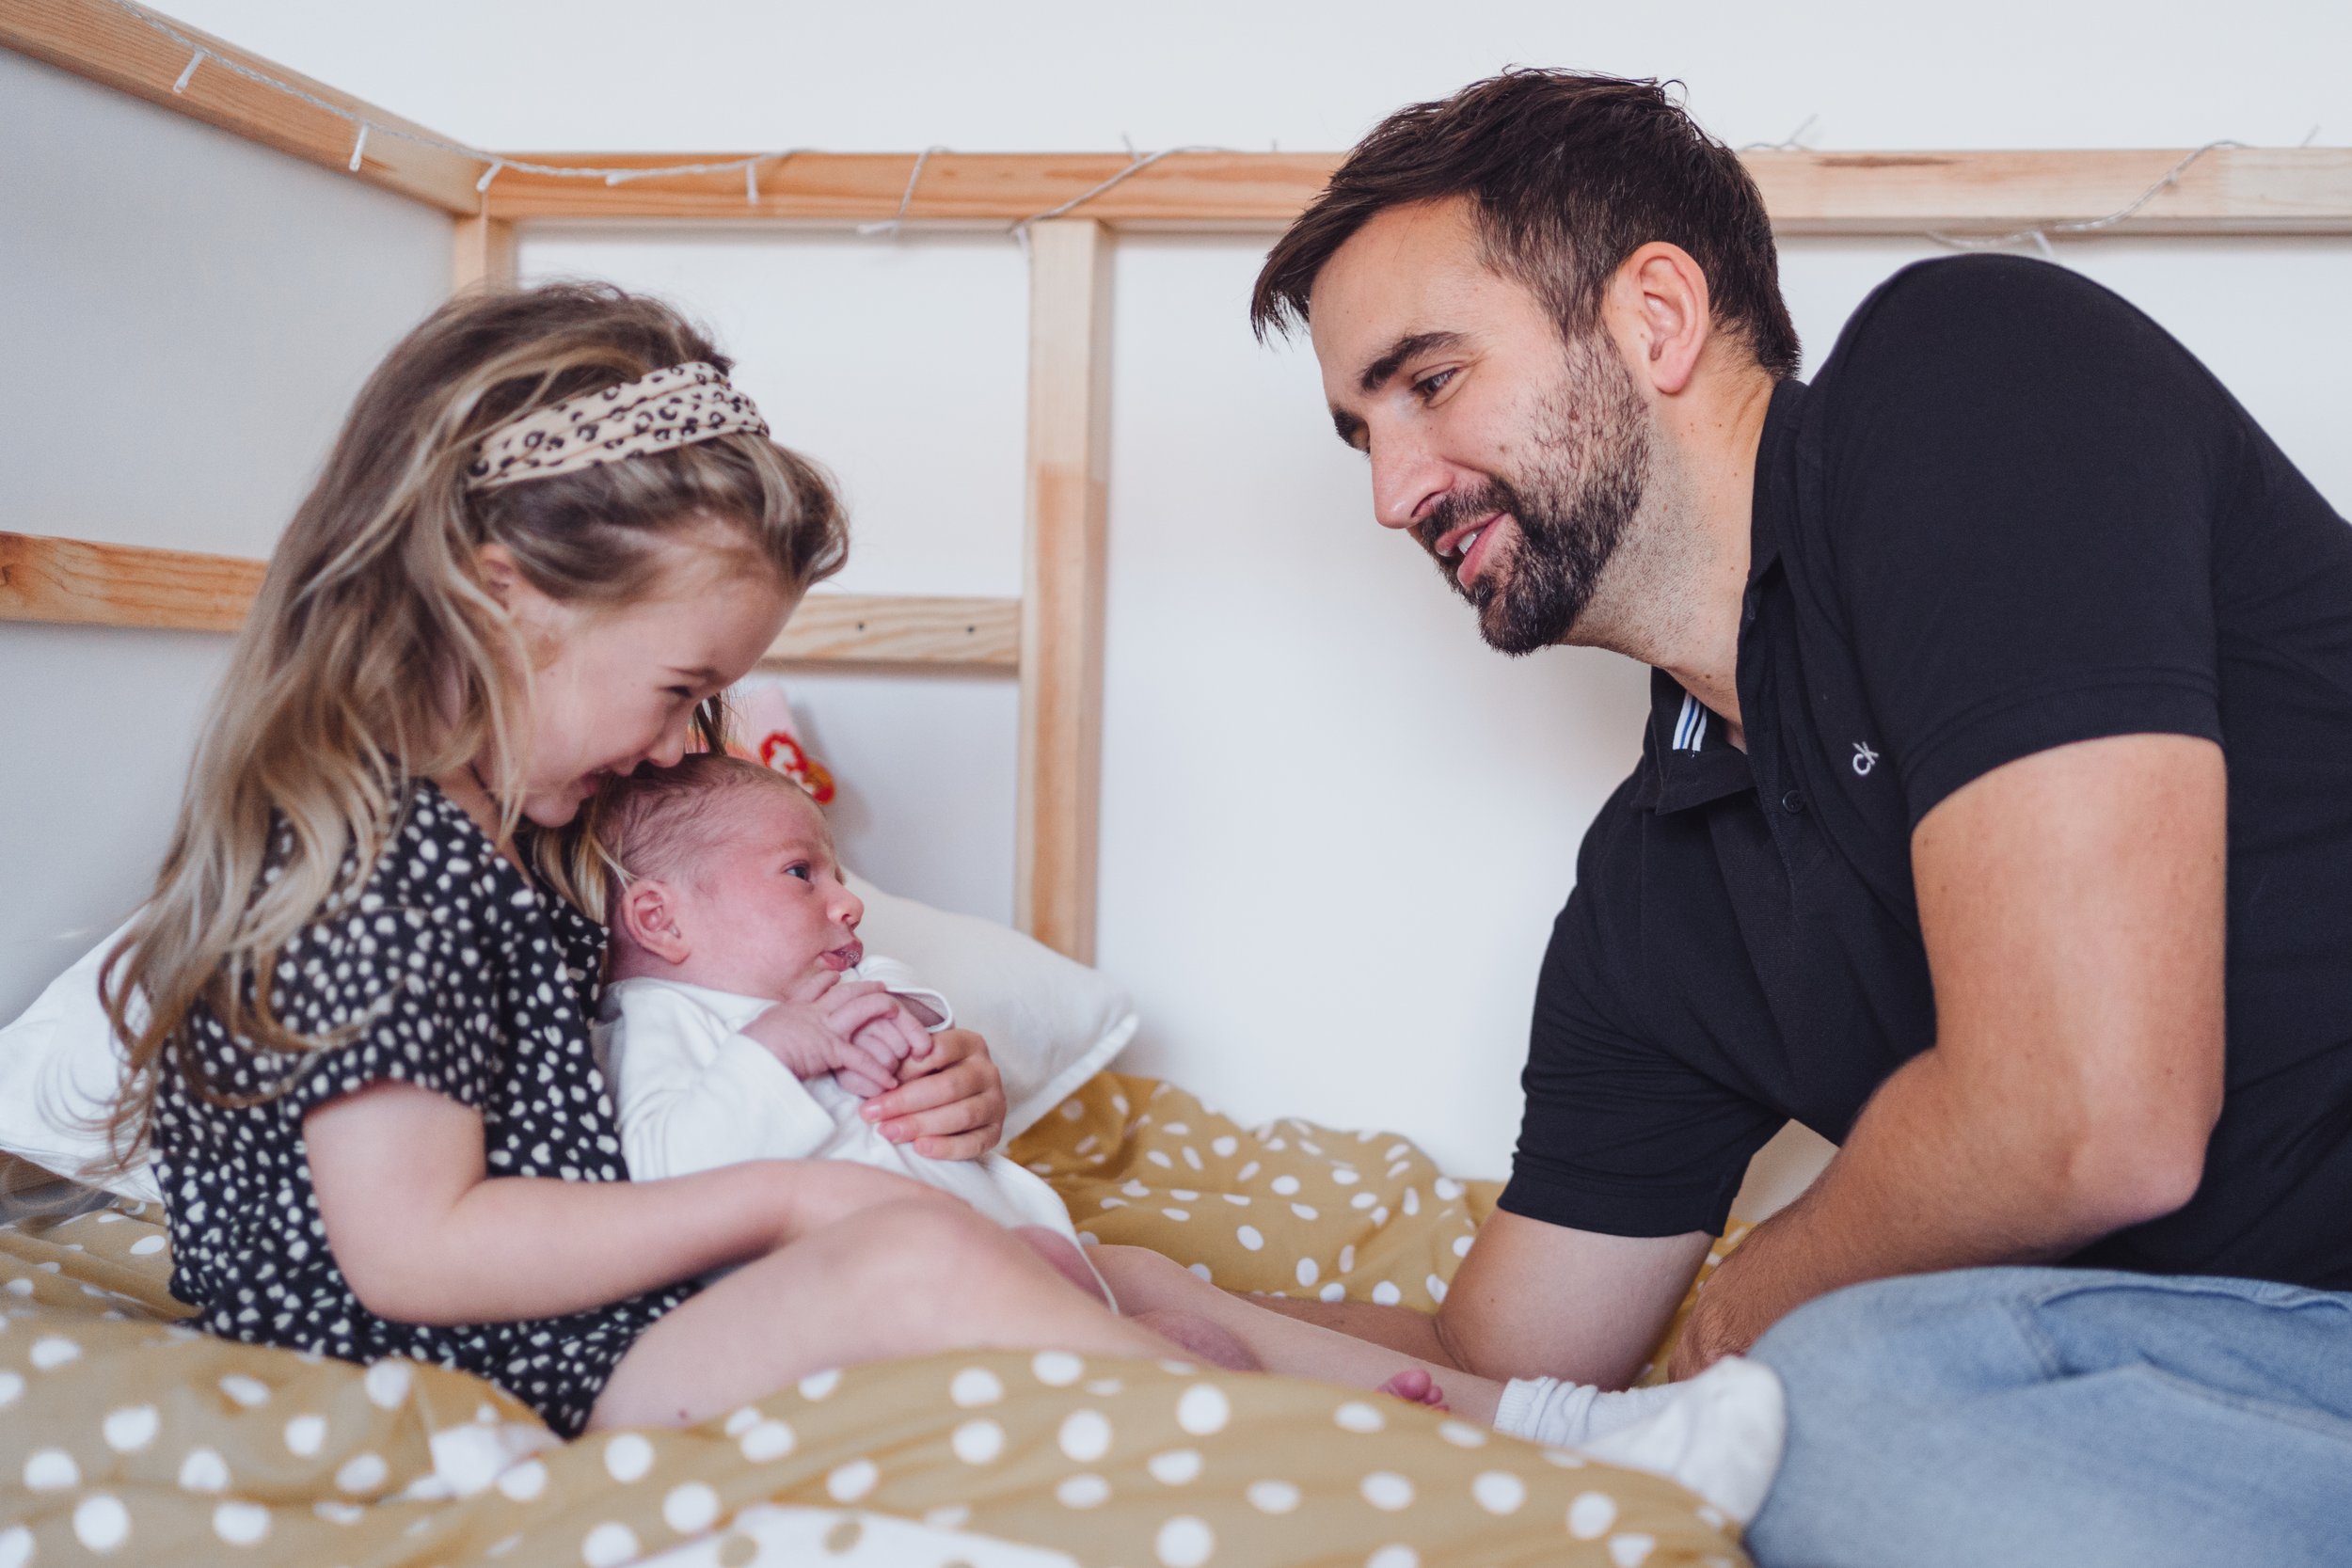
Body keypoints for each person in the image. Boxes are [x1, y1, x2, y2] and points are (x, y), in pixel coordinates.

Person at [1244, 69, 2352, 1564]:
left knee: (1812, 1391)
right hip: (2237, 1377)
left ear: (1655, 316)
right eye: (1357, 430)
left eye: (1428, 381)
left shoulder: (1973, 374)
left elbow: (2092, 1117)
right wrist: (1071, 1284)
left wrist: (1744, 1304)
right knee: (1817, 1409)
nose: (1392, 493)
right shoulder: (1654, 891)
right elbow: (1503, 1364)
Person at [99, 283, 1217, 1439]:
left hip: (567, 1330)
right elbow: (413, 1254)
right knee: (919, 1258)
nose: (683, 743)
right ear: (499, 600)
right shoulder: (385, 861)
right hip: (453, 1375)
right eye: (680, 688)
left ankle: (1399, 1412)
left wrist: (930, 1081)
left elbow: (689, 1048)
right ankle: (1253, 1444)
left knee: (1106, 1267)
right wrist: (786, 1197)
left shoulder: (521, 839)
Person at [589, 748, 1788, 1516]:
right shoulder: (667, 1026)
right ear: (661, 917)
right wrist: (777, 1050)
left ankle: (1565, 1424)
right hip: (902, 1336)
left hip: (1044, 1280)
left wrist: (941, 1048)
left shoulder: (852, 980)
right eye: (800, 873)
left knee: (1159, 1275)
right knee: (1188, 1341)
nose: (844, 897)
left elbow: (936, 1030)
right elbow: (662, 1173)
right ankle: (1429, 1467)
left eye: (839, 867)